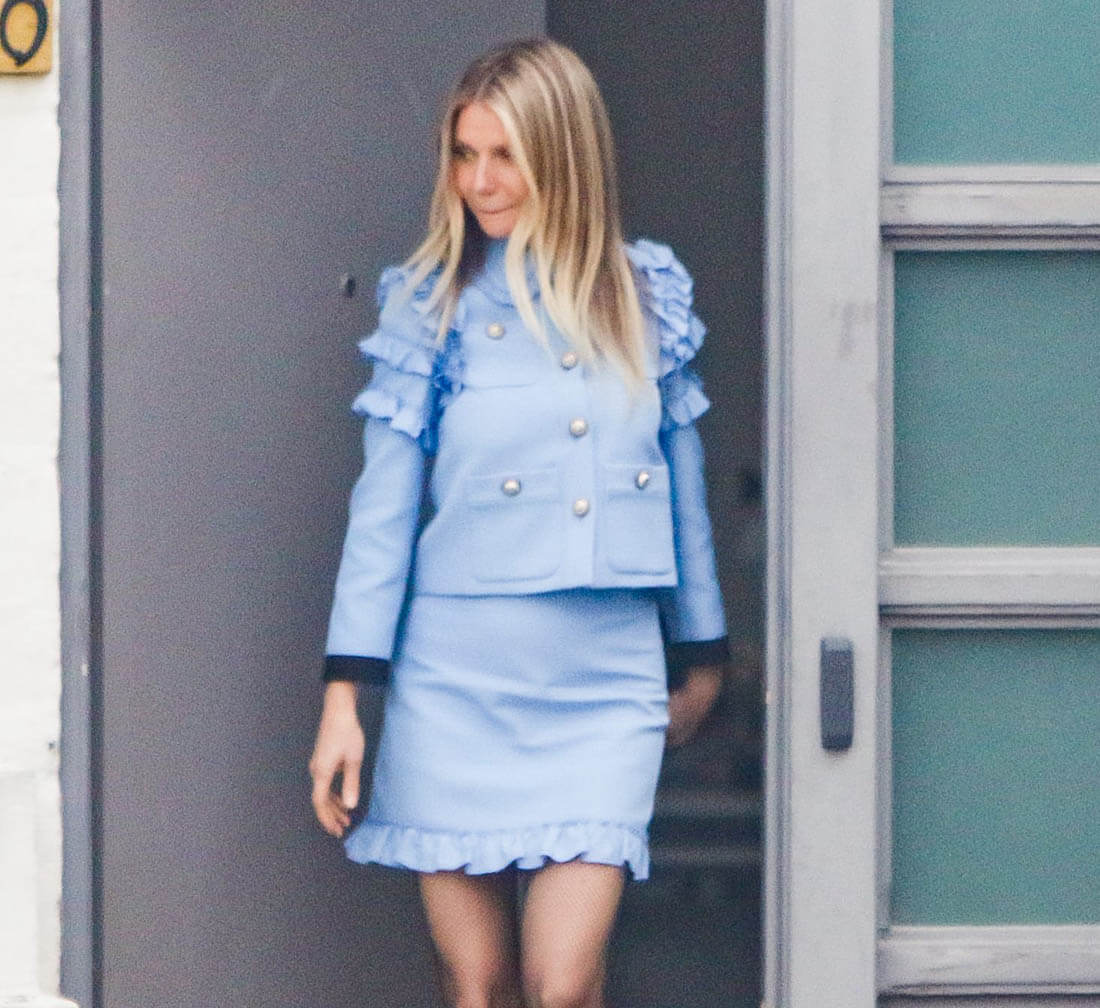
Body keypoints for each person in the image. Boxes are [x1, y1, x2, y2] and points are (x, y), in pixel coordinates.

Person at [309, 37, 729, 1008]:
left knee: (564, 984)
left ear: (564, 155)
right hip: (453, 679)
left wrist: (701, 652)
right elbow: (380, 513)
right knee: (478, 986)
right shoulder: (430, 305)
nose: (480, 182)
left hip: (603, 681)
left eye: (506, 156)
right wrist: (344, 696)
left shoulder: (646, 296)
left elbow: (685, 491)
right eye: (464, 155)